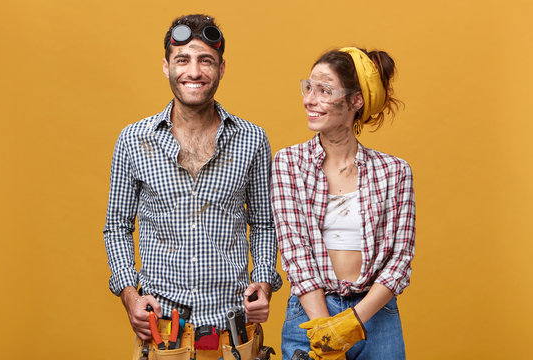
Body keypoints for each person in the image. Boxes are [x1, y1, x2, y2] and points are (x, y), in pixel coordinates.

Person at [103, 14, 281, 345]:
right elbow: (117, 226)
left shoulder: (252, 139)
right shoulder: (134, 139)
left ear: (222, 68)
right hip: (164, 331)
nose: (194, 72)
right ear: (166, 66)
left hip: (233, 331)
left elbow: (264, 224)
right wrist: (129, 294)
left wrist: (264, 281)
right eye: (182, 60)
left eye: (206, 61)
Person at [271, 47, 415, 359]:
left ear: (355, 100)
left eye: (324, 90)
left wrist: (353, 321)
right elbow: (295, 252)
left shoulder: (394, 172)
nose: (310, 99)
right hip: (309, 314)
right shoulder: (288, 163)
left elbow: (400, 260)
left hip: (375, 316)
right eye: (308, 87)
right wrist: (325, 328)